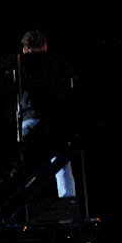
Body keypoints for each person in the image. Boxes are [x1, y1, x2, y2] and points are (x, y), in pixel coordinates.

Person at [18, 29, 76, 201]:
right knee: (62, 166)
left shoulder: (20, 63)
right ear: (45, 45)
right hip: (54, 120)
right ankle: (68, 206)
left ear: (25, 49)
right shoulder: (56, 61)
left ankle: (25, 207)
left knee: (27, 168)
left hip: (30, 117)